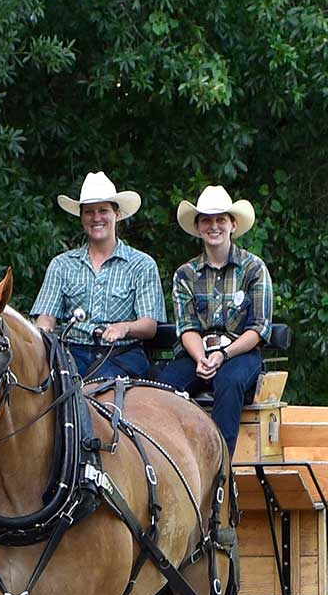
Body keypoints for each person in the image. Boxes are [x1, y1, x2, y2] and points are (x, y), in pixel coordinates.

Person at [155, 185, 272, 449]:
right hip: (198, 353)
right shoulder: (185, 274)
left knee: (228, 382)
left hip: (240, 353)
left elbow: (259, 328)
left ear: (233, 224)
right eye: (206, 220)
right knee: (160, 388)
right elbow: (187, 327)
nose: (214, 226)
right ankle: (169, 461)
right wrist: (201, 358)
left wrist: (225, 354)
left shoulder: (254, 268)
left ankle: (222, 470)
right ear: (198, 227)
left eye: (221, 219)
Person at [31, 172, 165, 381]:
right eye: (89, 212)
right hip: (71, 354)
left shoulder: (141, 264)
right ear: (82, 217)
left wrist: (124, 328)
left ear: (116, 214)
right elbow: (46, 318)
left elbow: (149, 326)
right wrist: (42, 334)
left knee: (99, 392)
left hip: (122, 355)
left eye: (103, 210)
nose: (96, 218)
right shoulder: (61, 264)